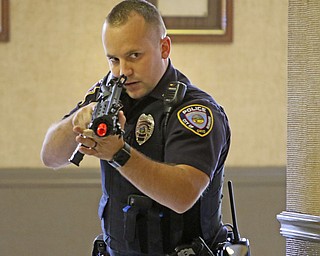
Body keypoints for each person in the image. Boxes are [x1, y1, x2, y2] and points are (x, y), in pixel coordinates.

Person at [41, 0, 231, 255]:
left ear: (164, 48)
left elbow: (182, 195)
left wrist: (119, 154)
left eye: (134, 56)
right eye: (113, 59)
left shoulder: (193, 110)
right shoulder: (108, 93)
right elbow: (50, 157)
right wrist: (78, 120)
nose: (123, 71)